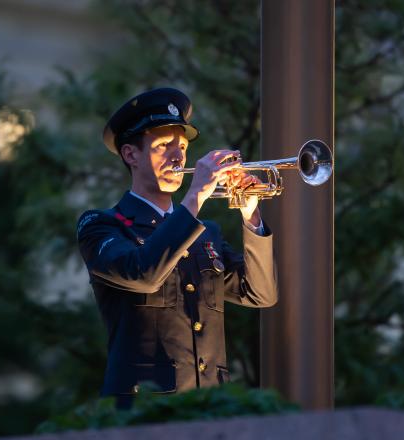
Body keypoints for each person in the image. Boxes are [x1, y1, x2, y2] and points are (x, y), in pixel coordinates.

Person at [76, 87, 277, 407]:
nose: (178, 155)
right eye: (163, 145)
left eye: (182, 146)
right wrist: (195, 196)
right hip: (143, 410)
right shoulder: (101, 225)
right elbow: (142, 272)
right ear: (131, 155)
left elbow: (260, 293)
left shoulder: (204, 233)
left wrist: (250, 213)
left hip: (211, 404)